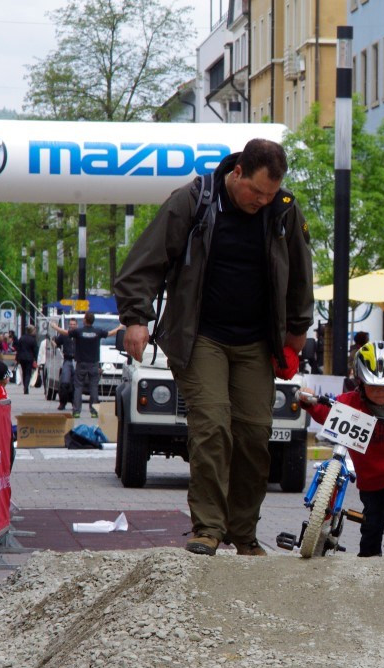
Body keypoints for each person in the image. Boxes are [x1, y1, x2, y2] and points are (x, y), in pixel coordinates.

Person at [114, 138, 314, 557]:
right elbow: (145, 261)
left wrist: (297, 331)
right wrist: (136, 318)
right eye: (255, 192)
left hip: (256, 342)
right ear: (236, 172)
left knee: (257, 434)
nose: (261, 201)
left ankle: (243, 533)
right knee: (212, 427)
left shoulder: (284, 210)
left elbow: (299, 273)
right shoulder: (193, 200)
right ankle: (207, 527)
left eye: (270, 194)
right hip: (200, 336)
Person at [299, 342, 384, 556]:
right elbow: (327, 412)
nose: (380, 392)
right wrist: (308, 401)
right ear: (360, 382)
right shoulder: (350, 402)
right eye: (373, 387)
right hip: (369, 476)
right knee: (372, 520)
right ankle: (368, 558)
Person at [52, 313, 121, 418]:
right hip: (94, 364)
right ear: (93, 321)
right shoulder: (97, 332)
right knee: (94, 388)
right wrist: (120, 327)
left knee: (78, 387)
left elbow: (65, 333)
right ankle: (94, 411)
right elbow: (111, 333)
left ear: (84, 321)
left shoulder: (79, 332)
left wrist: (55, 327)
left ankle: (76, 411)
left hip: (81, 363)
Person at [55, 318, 79, 410]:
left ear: (77, 325)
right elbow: (57, 342)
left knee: (75, 384)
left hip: (77, 361)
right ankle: (62, 402)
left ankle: (74, 403)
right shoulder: (64, 335)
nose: (72, 326)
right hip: (67, 360)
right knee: (64, 383)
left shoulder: (79, 335)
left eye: (74, 324)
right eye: (71, 324)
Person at [15, 325, 39, 395]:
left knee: (24, 372)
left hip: (22, 358)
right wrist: (36, 359)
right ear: (31, 331)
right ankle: (26, 386)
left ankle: (24, 385)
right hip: (29, 358)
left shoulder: (21, 338)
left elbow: (18, 349)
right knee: (28, 372)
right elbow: (35, 350)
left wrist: (17, 358)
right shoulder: (33, 339)